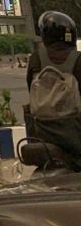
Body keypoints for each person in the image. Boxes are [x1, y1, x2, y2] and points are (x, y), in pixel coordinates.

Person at [26, 10, 81, 159]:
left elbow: (29, 88)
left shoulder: (35, 59)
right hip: (74, 133)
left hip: (40, 132)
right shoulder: (78, 59)